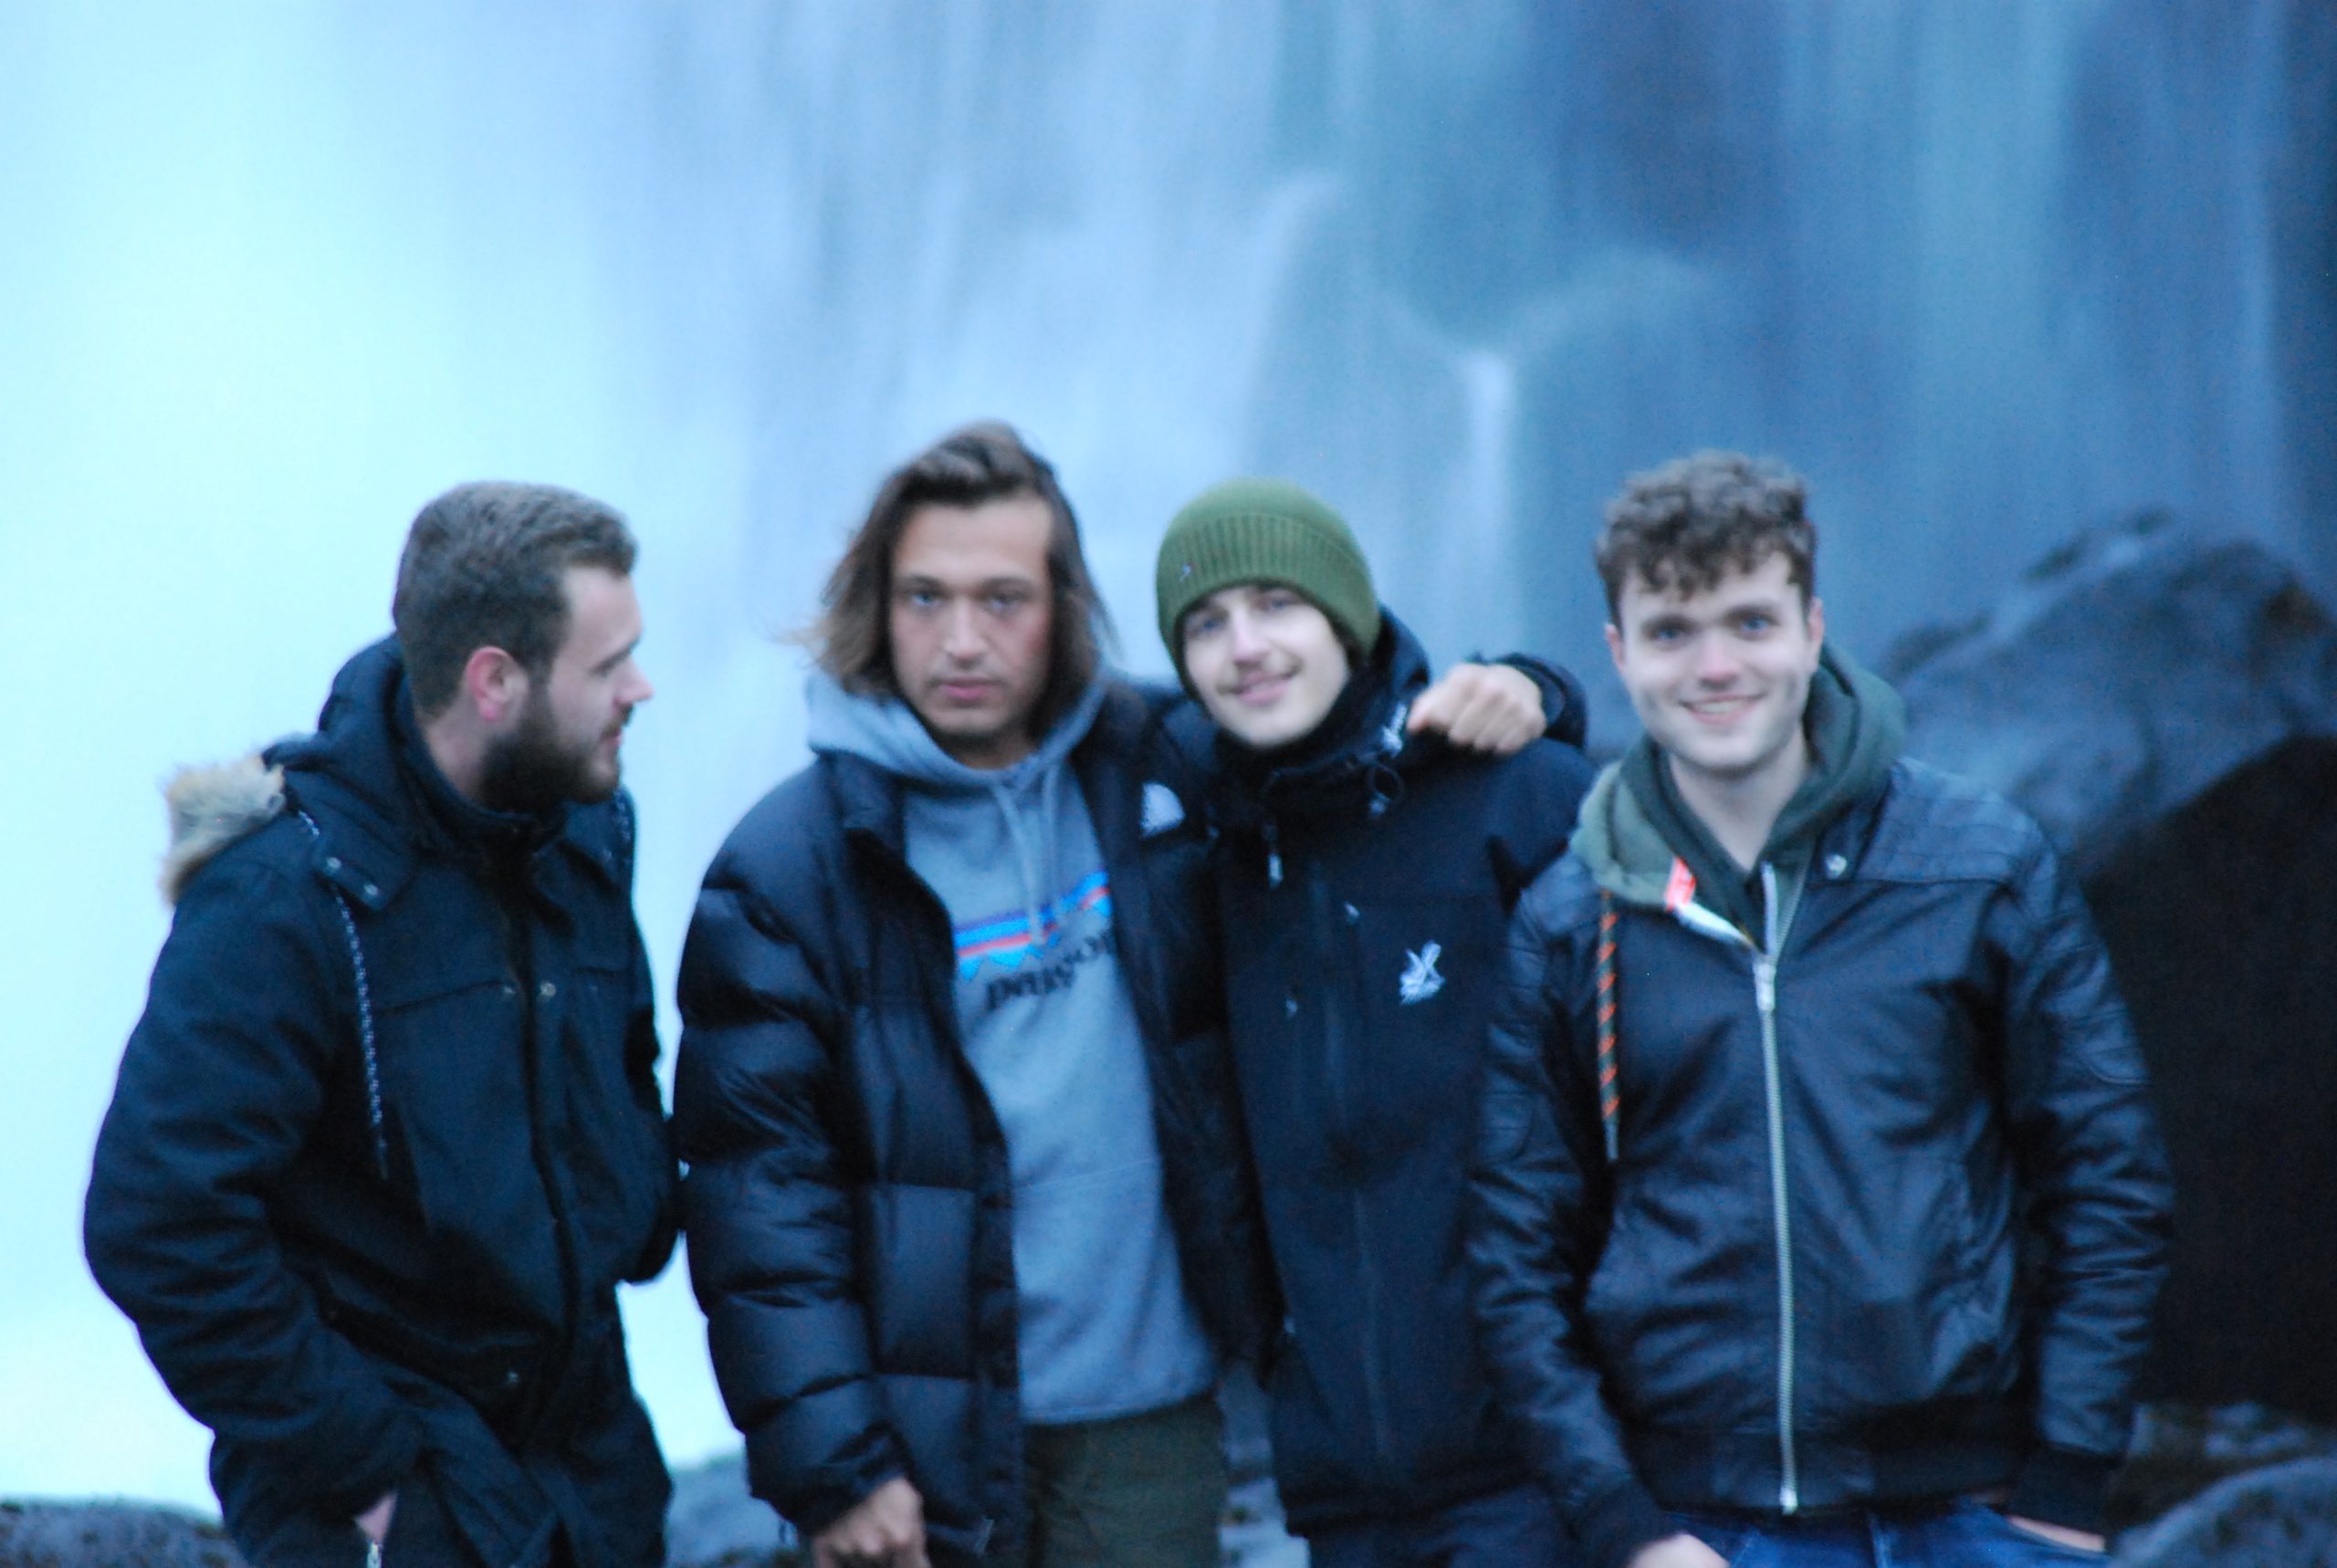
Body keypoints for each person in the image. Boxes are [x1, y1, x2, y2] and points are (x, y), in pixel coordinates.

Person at [673, 423, 1559, 1568]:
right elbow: (756, 1199)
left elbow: (1357, 752)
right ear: (875, 610)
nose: (962, 640)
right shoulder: (789, 869)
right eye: (925, 598)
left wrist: (1528, 688)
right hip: (924, 1438)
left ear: (1063, 609)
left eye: (1003, 599)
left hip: (1151, 1419)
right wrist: (836, 1465)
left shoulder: (1167, 767)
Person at [1468, 451, 2174, 1568]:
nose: (1715, 666)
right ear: (1617, 651)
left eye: (1749, 622)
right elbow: (1514, 1256)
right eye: (1671, 630)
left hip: (1975, 1513)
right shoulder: (1570, 920)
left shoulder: (1978, 867)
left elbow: (2107, 1178)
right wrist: (1623, 1522)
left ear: (1811, 626)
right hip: (1704, 1527)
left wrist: (2066, 1478)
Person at [85, 483, 679, 1568]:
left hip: (589, 1464)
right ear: (494, 681)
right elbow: (156, 1222)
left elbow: (627, 1070)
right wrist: (373, 1479)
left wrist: (635, 1211)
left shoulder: (587, 828)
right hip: (389, 1488)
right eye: (609, 666)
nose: (641, 689)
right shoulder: (283, 897)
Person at [1152, 479, 1597, 1566]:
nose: (1245, 647)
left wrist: (1541, 688)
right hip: (1340, 1488)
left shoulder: (1516, 794)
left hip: (1541, 1469)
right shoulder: (1211, 845)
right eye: (1205, 623)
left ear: (1347, 620)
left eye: (1278, 604)